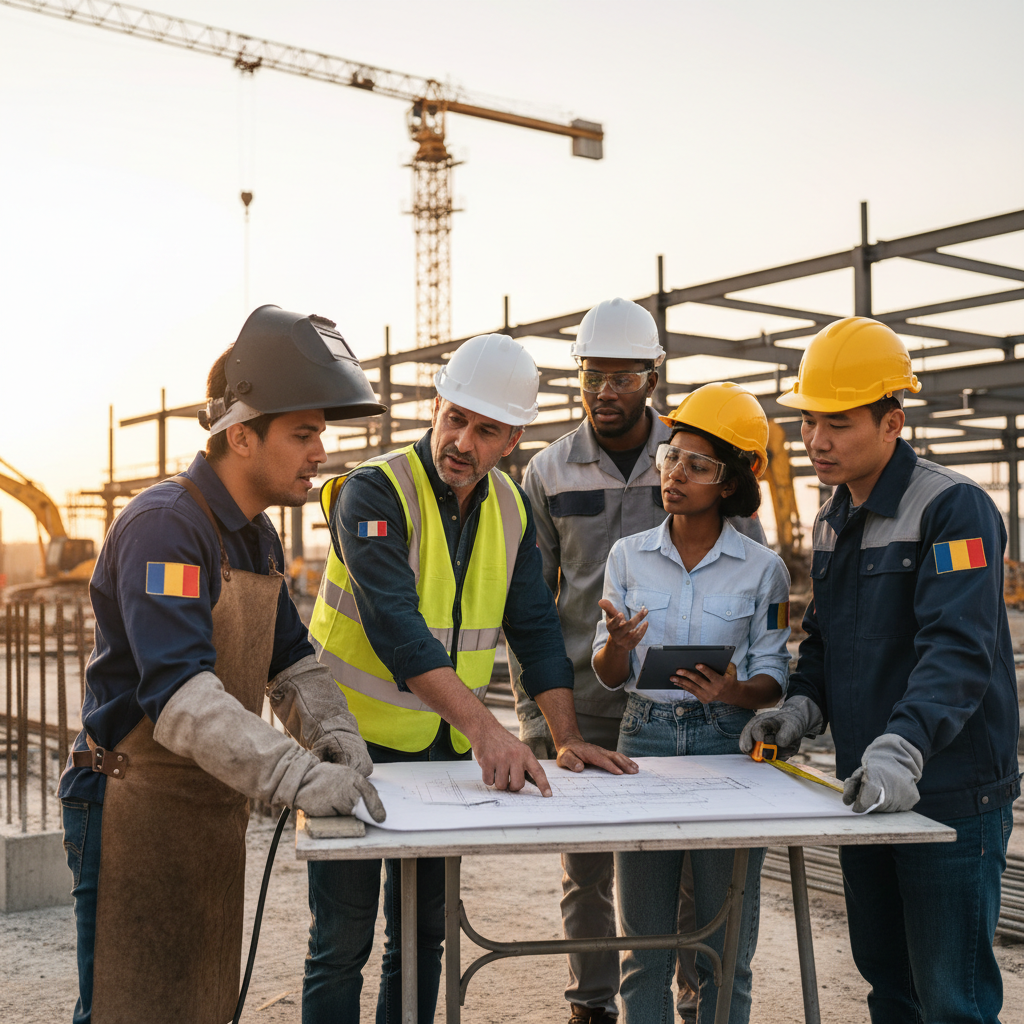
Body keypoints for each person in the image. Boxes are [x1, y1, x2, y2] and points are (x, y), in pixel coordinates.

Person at [57, 305, 388, 1024]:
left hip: (206, 804)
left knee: (196, 999)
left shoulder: (256, 536)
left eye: (320, 433)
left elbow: (290, 660)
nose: (321, 451)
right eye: (303, 433)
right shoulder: (166, 528)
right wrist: (299, 777)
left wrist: (333, 735)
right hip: (132, 805)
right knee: (128, 1004)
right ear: (241, 434)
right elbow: (179, 696)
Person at [304, 332, 639, 1024]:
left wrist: (565, 735)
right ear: (436, 406)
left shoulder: (511, 508)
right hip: (350, 747)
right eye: (455, 418)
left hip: (441, 752)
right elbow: (398, 631)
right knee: (341, 941)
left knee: (422, 935)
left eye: (486, 431)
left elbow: (536, 629)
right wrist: (489, 732)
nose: (462, 441)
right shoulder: (374, 492)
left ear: (512, 439)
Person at [741, 316, 1021, 1023]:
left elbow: (958, 647)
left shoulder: (954, 508)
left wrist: (905, 746)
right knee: (889, 987)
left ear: (892, 422)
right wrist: (799, 708)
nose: (816, 440)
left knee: (951, 999)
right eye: (808, 420)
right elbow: (826, 641)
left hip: (948, 791)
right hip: (867, 787)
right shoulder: (833, 518)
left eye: (838, 422)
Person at [515, 297, 767, 1024]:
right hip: (584, 701)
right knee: (589, 872)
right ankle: (592, 1005)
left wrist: (743, 694)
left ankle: (688, 998)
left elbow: (749, 570)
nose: (605, 391)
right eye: (592, 375)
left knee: (685, 874)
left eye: (622, 377)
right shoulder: (550, 470)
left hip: (684, 705)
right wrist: (541, 717)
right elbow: (530, 605)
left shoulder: (698, 451)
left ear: (652, 379)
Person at [592, 381, 790, 1024]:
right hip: (643, 738)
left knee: (724, 948)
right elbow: (607, 672)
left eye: (697, 465)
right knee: (643, 947)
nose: (674, 473)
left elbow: (773, 676)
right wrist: (619, 645)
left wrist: (731, 692)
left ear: (730, 483)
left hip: (724, 740)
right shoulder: (627, 556)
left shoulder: (764, 571)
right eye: (670, 456)